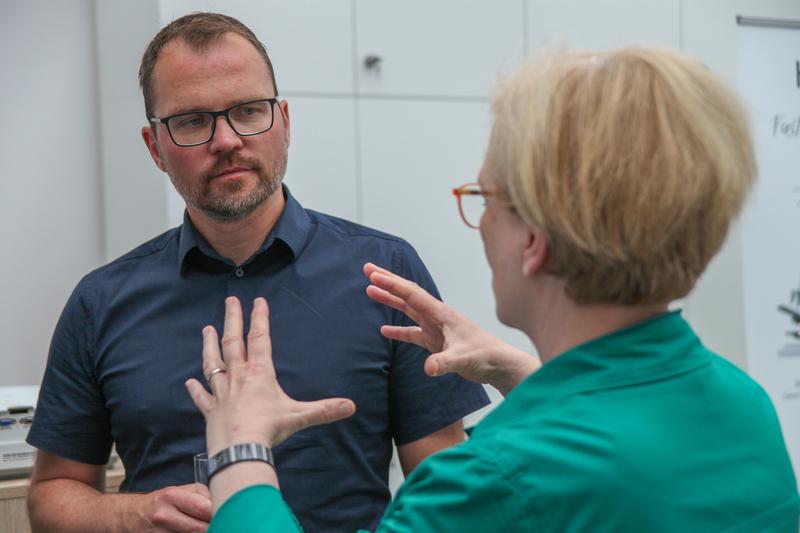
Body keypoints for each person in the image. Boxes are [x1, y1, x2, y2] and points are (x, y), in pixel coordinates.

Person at [187, 47, 800, 532]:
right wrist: (527, 378)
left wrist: (240, 453)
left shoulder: (489, 482)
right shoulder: (744, 405)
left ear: (534, 240)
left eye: (485, 200)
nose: (481, 225)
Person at [26, 12, 489, 533]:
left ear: (285, 122)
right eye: (193, 121)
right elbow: (50, 495)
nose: (226, 140)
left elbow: (444, 484)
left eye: (248, 111)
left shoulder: (386, 275)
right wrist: (131, 512)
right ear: (154, 146)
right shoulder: (100, 302)